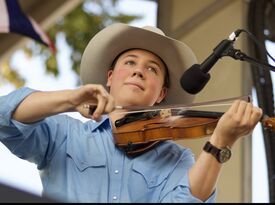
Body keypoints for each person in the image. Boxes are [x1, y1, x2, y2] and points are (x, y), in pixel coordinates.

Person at [0, 23, 262, 203]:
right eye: (130, 62)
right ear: (110, 78)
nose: (139, 71)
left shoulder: (177, 159)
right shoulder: (66, 133)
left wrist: (220, 143)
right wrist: (70, 99)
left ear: (161, 94)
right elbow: (5, 116)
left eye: (152, 69)